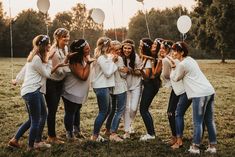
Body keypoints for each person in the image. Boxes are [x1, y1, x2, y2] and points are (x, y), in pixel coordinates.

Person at [8, 35, 68, 151]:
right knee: (37, 119)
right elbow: (47, 74)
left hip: (31, 91)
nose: (50, 45)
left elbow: (25, 69)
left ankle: (15, 140)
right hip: (33, 91)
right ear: (44, 46)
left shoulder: (36, 56)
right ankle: (32, 145)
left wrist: (16, 79)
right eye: (48, 44)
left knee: (35, 118)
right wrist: (50, 59)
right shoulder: (36, 58)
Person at [171, 41, 217, 154]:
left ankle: (195, 147)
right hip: (209, 91)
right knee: (209, 121)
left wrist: (173, 68)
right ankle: (212, 146)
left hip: (199, 94)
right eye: (173, 50)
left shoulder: (182, 65)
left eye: (175, 51)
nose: (173, 53)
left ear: (181, 52)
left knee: (197, 122)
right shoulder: (190, 59)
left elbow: (176, 78)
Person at [62, 39, 92, 140]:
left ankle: (77, 130)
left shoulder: (83, 57)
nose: (89, 49)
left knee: (77, 110)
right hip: (71, 91)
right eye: (86, 48)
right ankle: (69, 134)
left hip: (78, 91)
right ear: (80, 50)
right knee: (70, 112)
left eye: (88, 46)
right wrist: (88, 64)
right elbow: (83, 76)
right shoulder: (74, 60)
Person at [90, 37, 118, 142]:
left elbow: (109, 63)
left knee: (108, 110)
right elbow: (108, 72)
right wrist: (114, 63)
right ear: (106, 46)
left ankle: (97, 134)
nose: (111, 47)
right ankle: (95, 136)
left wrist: (112, 59)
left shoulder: (105, 57)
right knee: (103, 111)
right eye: (110, 45)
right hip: (101, 86)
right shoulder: (101, 58)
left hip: (104, 86)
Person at [45, 28, 70, 144]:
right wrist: (71, 70)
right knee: (52, 110)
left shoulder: (65, 48)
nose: (67, 39)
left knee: (55, 108)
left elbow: (64, 64)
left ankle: (53, 134)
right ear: (57, 38)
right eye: (64, 37)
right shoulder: (53, 50)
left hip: (60, 82)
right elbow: (57, 71)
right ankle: (51, 136)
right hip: (52, 83)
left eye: (67, 36)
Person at [138, 38, 162, 141]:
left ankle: (151, 134)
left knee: (143, 109)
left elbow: (149, 77)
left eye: (140, 45)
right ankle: (151, 132)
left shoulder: (153, 59)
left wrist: (140, 72)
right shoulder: (150, 57)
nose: (139, 47)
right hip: (150, 85)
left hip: (151, 85)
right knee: (144, 109)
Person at [121, 39, 143, 139]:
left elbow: (140, 72)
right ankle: (127, 129)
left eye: (129, 48)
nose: (127, 50)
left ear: (132, 49)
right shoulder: (120, 58)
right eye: (125, 48)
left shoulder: (137, 58)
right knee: (126, 108)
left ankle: (129, 124)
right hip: (124, 86)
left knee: (133, 108)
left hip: (136, 86)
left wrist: (129, 70)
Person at [107, 40, 128, 142]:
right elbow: (123, 75)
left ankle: (108, 129)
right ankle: (113, 133)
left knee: (113, 109)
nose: (119, 51)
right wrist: (125, 71)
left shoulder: (106, 57)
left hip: (111, 87)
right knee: (119, 110)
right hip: (120, 87)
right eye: (117, 49)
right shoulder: (118, 59)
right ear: (111, 49)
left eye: (120, 49)